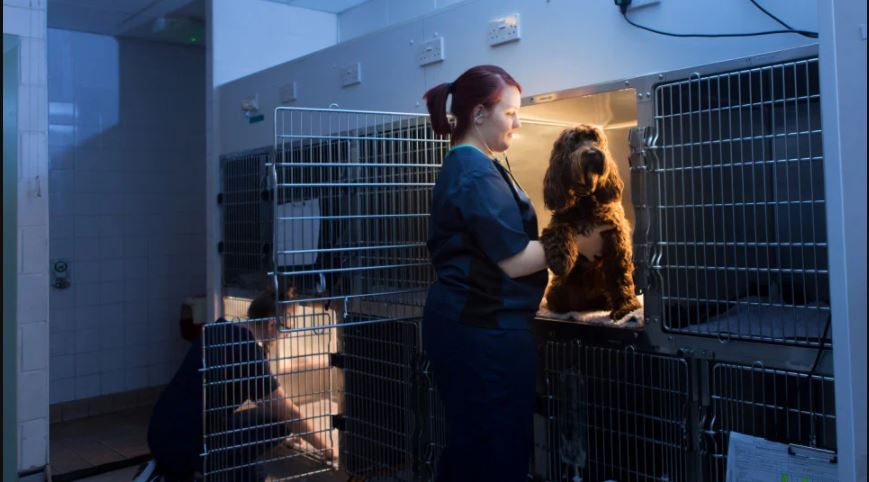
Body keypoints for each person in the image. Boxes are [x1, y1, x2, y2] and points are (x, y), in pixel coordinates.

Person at [421, 65, 611, 482]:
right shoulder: (474, 172)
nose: (517, 123)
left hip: (470, 322)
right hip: (482, 331)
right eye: (509, 113)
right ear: (479, 114)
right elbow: (514, 260)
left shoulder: (474, 164)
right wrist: (580, 240)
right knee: (496, 452)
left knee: (471, 446)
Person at [140, 286, 334, 482]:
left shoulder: (220, 327)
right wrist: (327, 448)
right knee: (277, 431)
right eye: (287, 329)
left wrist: (295, 432)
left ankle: (178, 472)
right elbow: (290, 413)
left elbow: (264, 398)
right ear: (271, 323)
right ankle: (197, 470)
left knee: (255, 462)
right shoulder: (247, 352)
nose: (288, 335)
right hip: (185, 446)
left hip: (160, 432)